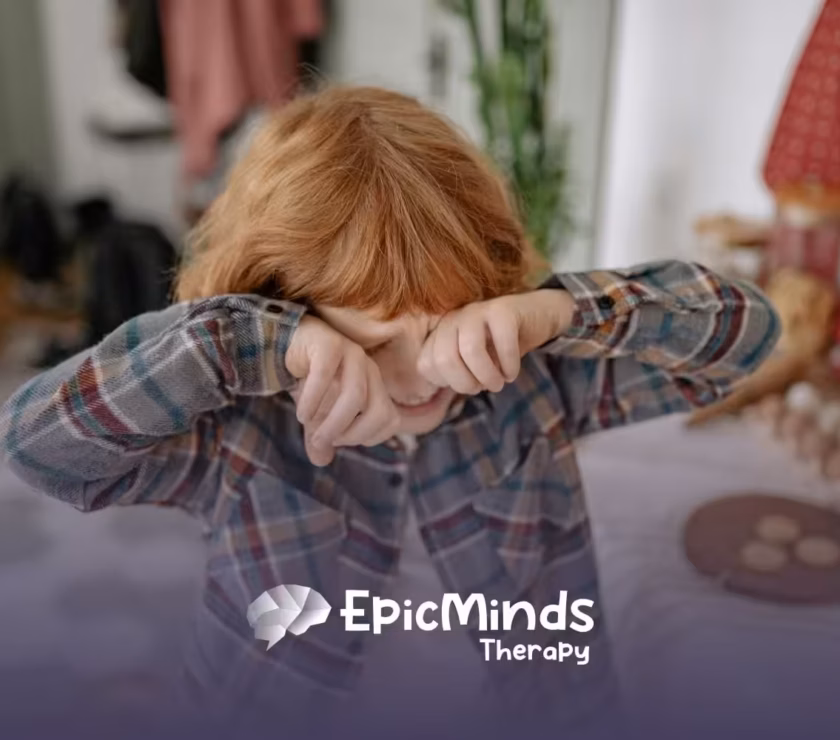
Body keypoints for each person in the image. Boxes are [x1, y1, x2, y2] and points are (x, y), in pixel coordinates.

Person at [0, 86, 780, 739]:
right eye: (373, 343)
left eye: (444, 327)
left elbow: (744, 344)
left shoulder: (530, 385)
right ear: (284, 312)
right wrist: (237, 345)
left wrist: (558, 311)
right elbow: (39, 448)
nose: (419, 375)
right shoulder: (240, 427)